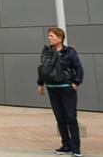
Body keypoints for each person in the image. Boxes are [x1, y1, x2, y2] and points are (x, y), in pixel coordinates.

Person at [36, 27, 84, 157]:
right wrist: (40, 84)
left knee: (71, 117)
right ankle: (66, 145)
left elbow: (78, 68)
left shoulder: (69, 52)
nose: (49, 38)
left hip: (66, 88)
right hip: (52, 88)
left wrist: (76, 82)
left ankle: (76, 148)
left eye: (52, 36)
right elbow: (42, 69)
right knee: (60, 119)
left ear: (60, 38)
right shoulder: (47, 52)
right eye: (49, 36)